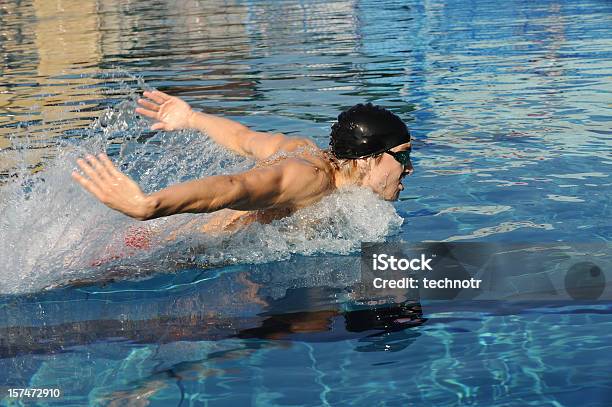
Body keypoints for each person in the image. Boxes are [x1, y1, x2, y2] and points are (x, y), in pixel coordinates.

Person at [71, 90, 413, 235]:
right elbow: (235, 187)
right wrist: (148, 205)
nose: (408, 169)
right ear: (370, 158)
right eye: (403, 156)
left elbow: (242, 138)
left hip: (154, 240)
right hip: (153, 253)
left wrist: (191, 117)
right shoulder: (309, 178)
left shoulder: (302, 149)